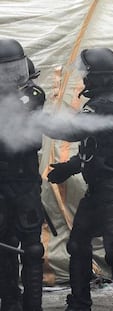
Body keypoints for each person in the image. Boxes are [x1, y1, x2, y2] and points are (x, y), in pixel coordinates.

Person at [46, 47, 113, 311]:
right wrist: (71, 166)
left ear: (97, 76)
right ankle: (79, 303)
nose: (83, 77)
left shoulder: (105, 104)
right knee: (79, 244)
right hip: (102, 187)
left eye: (86, 73)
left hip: (110, 190)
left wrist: (39, 122)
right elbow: (100, 149)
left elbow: (74, 131)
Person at [0, 39, 46, 311]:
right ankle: (9, 302)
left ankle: (33, 305)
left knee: (31, 248)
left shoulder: (33, 94)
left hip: (25, 184)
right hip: (2, 185)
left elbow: (21, 108)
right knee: (4, 247)